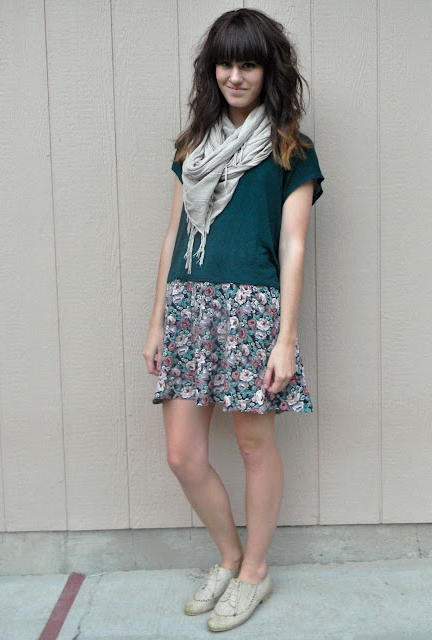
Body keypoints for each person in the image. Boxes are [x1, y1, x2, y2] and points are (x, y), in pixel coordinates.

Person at [142, 7, 324, 633]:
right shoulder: (192, 148)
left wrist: (286, 338)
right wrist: (157, 322)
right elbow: (174, 235)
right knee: (182, 454)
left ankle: (255, 570)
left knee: (253, 446)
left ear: (269, 70)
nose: (235, 76)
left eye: (248, 64)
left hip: (251, 310)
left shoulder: (291, 149)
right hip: (189, 307)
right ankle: (229, 557)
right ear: (211, 70)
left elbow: (294, 245)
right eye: (225, 63)